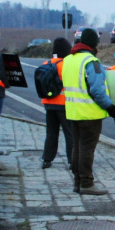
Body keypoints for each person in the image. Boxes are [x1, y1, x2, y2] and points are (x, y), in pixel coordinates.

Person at [63, 28, 115, 195]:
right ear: (94, 43)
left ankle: (77, 182)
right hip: (90, 113)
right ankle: (87, 183)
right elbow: (97, 89)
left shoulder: (69, 59)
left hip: (73, 112)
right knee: (87, 148)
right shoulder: (90, 61)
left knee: (77, 147)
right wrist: (110, 107)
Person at [41, 37, 73, 169]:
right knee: (69, 133)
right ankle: (72, 160)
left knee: (51, 132)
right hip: (64, 104)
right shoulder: (67, 65)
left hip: (48, 103)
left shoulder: (46, 64)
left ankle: (47, 159)